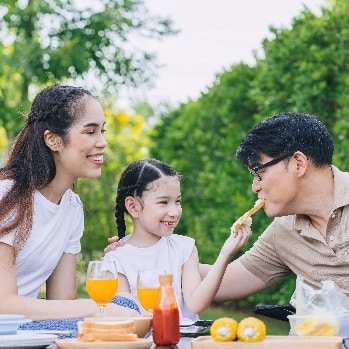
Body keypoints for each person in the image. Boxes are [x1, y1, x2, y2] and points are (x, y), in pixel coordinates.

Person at [106, 112, 349, 311]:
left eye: (259, 173)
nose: (255, 186)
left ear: (298, 163)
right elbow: (223, 281)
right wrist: (140, 254)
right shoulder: (284, 232)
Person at [0, 85, 139, 333]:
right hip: (7, 325)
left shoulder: (72, 208)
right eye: (90, 131)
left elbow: (62, 303)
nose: (103, 142)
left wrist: (109, 267)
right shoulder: (8, 195)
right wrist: (95, 308)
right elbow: (4, 304)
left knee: (128, 304)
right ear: (53, 140)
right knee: (109, 316)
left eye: (102, 131)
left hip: (23, 328)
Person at [103, 158, 252, 322]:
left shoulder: (184, 248)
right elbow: (125, 318)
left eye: (178, 201)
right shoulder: (116, 260)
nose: (174, 211)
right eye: (163, 202)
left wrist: (225, 254)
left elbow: (196, 304)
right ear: (133, 207)